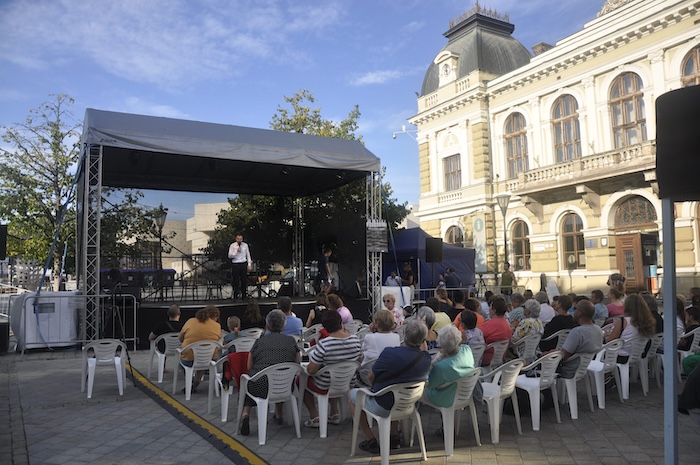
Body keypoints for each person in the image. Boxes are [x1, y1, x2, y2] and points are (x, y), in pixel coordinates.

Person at [348, 319, 431, 454]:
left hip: (383, 405)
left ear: (404, 335)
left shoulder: (389, 353)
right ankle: (394, 435)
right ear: (423, 340)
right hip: (409, 404)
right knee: (396, 387)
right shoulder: (426, 359)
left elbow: (370, 377)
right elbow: (424, 350)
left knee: (352, 394)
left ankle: (370, 439)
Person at [239, 309, 300, 435]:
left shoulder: (259, 342)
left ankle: (246, 413)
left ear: (267, 325)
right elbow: (297, 364)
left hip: (261, 387)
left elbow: (249, 366)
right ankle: (279, 414)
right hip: (285, 386)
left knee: (251, 379)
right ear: (283, 325)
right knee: (281, 372)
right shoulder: (291, 341)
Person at [303, 309, 362, 427]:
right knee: (332, 372)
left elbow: (311, 370)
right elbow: (360, 360)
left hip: (326, 384)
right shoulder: (355, 340)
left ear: (325, 328)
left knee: (302, 380)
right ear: (341, 323)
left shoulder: (324, 345)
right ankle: (334, 412)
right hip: (348, 382)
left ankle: (314, 416)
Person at [423, 325, 475, 419]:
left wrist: (434, 361)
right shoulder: (467, 350)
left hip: (446, 398)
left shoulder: (441, 367)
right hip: (465, 393)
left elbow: (429, 383)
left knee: (417, 392)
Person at [178, 305, 222, 392]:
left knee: (181, 363)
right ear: (214, 316)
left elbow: (180, 339)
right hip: (208, 358)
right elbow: (218, 340)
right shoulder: (217, 326)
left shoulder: (190, 321)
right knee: (205, 356)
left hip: (189, 358)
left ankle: (190, 379)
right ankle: (197, 380)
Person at [556, 299, 604, 378]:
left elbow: (564, 355)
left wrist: (552, 353)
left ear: (580, 313)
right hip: (585, 367)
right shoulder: (598, 329)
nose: (573, 312)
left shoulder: (577, 332)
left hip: (569, 369)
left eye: (575, 309)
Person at [605, 293, 656, 363]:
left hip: (622, 355)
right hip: (638, 354)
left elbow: (610, 341)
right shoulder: (647, 321)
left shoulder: (623, 321)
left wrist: (607, 335)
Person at [480, 296, 512, 366]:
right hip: (499, 360)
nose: (489, 310)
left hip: (485, 359)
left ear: (494, 310)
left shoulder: (488, 325)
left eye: (490, 308)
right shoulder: (507, 325)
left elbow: (477, 338)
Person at [228, 233, 252, 300]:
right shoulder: (232, 246)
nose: (239, 240)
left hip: (243, 263)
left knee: (244, 280)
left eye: (240, 239)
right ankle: (236, 295)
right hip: (235, 263)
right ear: (236, 239)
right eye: (238, 239)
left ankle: (244, 296)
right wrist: (236, 252)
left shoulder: (245, 245)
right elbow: (229, 256)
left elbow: (248, 255)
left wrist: (249, 264)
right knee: (236, 280)